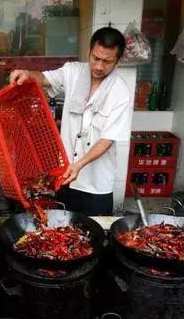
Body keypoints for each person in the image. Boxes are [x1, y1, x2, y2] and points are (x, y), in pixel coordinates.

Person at [9, 27, 131, 215]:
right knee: (65, 228)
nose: (99, 66)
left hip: (97, 183)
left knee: (96, 232)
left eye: (107, 61)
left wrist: (79, 164)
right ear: (89, 52)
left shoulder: (120, 91)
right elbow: (43, 78)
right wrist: (26, 73)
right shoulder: (72, 72)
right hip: (66, 177)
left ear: (118, 60)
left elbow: (108, 138)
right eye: (95, 58)